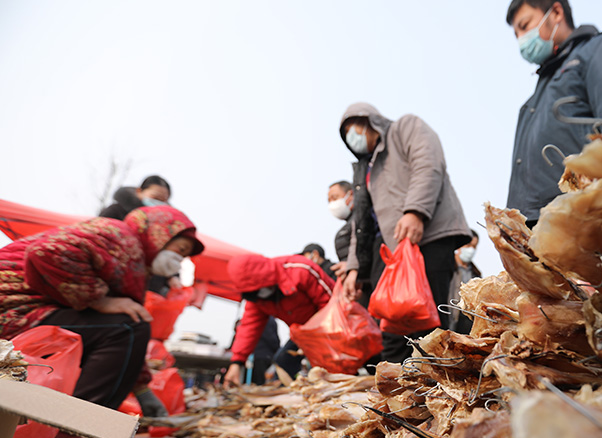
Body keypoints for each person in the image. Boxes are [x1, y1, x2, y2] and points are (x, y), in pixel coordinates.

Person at [0, 206, 203, 415]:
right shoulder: (119, 236)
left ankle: (64, 420)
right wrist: (99, 300)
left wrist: (142, 389)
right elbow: (44, 252)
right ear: (159, 235)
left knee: (129, 326)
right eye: (180, 250)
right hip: (13, 309)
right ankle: (78, 425)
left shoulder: (134, 265)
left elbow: (126, 341)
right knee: (128, 327)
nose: (179, 260)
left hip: (27, 311)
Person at [339, 103, 471, 363]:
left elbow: (428, 164)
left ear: (367, 121)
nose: (350, 138)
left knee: (428, 318)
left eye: (351, 129)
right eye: (344, 136)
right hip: (393, 250)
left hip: (429, 235)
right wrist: (354, 267)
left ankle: (435, 389)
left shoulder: (405, 128)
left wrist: (415, 211)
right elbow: (362, 221)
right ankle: (398, 391)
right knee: (392, 324)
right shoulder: (365, 169)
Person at [505, 0, 602, 227]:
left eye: (525, 26)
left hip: (589, 224)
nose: (521, 39)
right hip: (541, 233)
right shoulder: (532, 103)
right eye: (516, 33)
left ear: (556, 12)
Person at [223, 253, 334, 386]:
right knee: (283, 361)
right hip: (301, 334)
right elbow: (248, 327)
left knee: (334, 364)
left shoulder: (300, 269)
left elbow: (331, 303)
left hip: (331, 326)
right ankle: (295, 398)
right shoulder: (257, 299)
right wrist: (237, 362)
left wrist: (318, 336)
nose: (259, 293)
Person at [447, 230, 482, 335]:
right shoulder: (448, 267)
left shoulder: (476, 273)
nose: (471, 249)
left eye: (474, 246)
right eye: (468, 245)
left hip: (466, 321)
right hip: (449, 315)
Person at [100, 175, 172, 221]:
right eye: (155, 198)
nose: (159, 203)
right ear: (139, 191)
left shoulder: (165, 222)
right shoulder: (116, 211)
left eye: (163, 201)